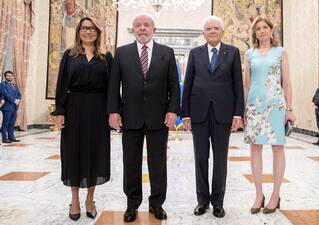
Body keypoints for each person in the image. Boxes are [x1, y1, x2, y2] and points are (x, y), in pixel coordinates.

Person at [107, 14, 180, 222]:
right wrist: (113, 111)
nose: (142, 28)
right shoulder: (122, 53)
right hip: (130, 117)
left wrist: (173, 110)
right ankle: (132, 205)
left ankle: (156, 204)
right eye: (138, 25)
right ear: (133, 29)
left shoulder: (167, 52)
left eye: (146, 25)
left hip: (159, 118)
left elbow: (174, 85)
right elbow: (114, 85)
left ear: (153, 29)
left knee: (158, 164)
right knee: (131, 163)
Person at [181, 15, 244, 218]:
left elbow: (237, 86)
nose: (212, 31)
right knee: (200, 158)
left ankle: (218, 202)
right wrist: (186, 114)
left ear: (222, 32)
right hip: (198, 113)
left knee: (220, 160)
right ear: (203, 32)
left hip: (223, 114)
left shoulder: (232, 53)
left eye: (216, 28)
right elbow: (188, 84)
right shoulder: (195, 53)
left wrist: (237, 114)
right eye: (208, 28)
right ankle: (202, 201)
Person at [53, 17, 113, 221]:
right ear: (78, 31)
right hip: (74, 109)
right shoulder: (69, 56)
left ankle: (90, 199)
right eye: (84, 28)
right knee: (73, 154)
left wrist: (114, 112)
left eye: (92, 28)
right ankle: (75, 200)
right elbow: (61, 85)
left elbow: (112, 89)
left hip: (98, 111)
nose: (88, 31)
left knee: (95, 154)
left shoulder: (106, 57)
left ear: (98, 32)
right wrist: (60, 112)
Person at [244, 16, 296, 214]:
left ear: (271, 30)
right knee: (255, 149)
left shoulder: (281, 52)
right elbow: (247, 84)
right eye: (258, 29)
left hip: (276, 105)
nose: (262, 31)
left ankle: (275, 194)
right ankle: (259, 194)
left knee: (277, 149)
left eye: (265, 27)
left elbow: (287, 82)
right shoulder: (249, 54)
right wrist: (244, 109)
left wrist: (289, 108)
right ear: (255, 33)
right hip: (254, 105)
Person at [1, 71, 21, 143]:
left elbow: (19, 94)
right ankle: (4, 138)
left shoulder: (15, 85)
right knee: (5, 123)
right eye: (8, 75)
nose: (10, 77)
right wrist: (14, 100)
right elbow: (5, 94)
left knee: (12, 123)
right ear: (5, 76)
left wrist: (18, 99)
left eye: (11, 75)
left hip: (14, 107)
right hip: (7, 107)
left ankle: (11, 137)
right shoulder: (2, 85)